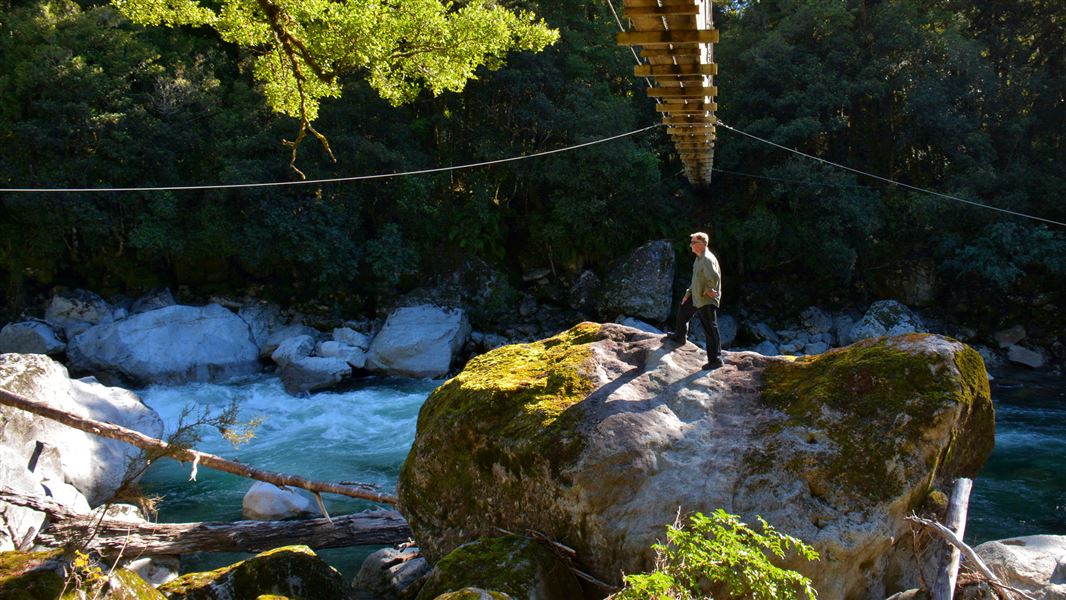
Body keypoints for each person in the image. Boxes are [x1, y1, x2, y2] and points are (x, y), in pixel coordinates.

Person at [667, 232, 723, 369]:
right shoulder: (699, 258)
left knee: (710, 327)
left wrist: (709, 290)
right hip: (696, 294)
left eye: (693, 242)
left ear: (702, 244)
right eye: (691, 242)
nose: (690, 245)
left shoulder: (707, 259)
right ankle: (680, 336)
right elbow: (697, 279)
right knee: (683, 311)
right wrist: (688, 293)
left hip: (706, 297)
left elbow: (714, 277)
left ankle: (716, 360)